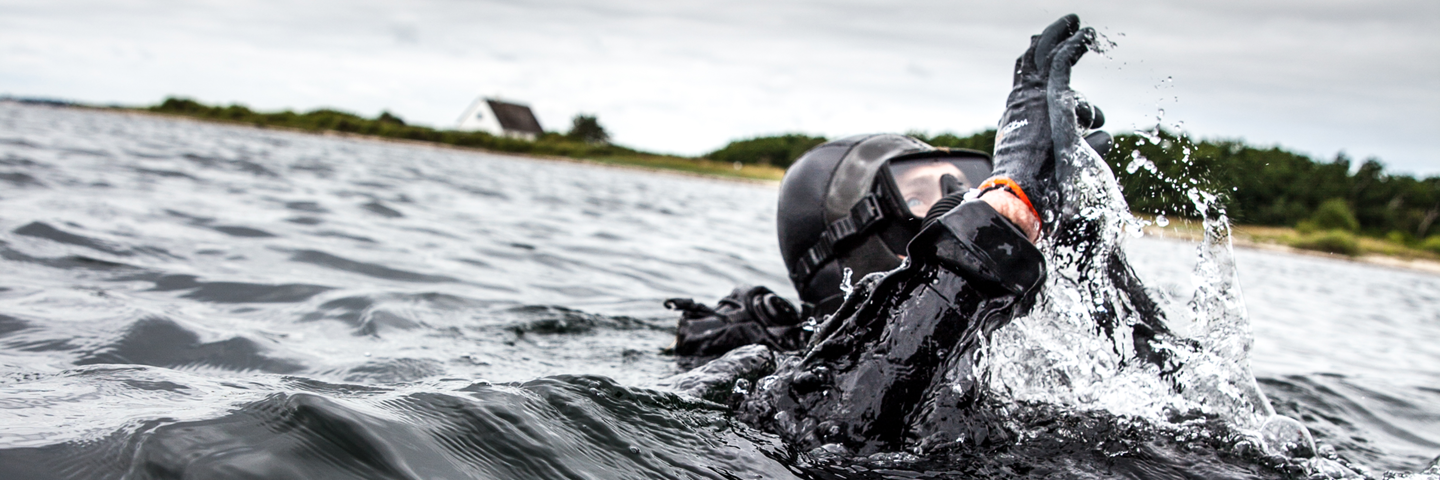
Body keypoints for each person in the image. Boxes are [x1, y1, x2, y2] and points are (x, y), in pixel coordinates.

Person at [664, 14, 1176, 454]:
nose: (965, 196)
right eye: (923, 192)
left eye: (972, 183)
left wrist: (1085, 253)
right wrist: (1006, 215)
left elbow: (1183, 401)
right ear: (846, 238)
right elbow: (839, 442)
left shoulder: (1008, 370)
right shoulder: (768, 373)